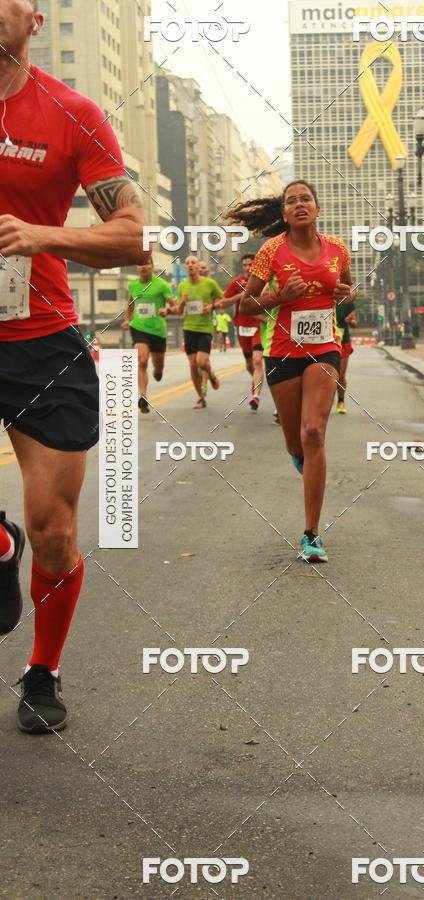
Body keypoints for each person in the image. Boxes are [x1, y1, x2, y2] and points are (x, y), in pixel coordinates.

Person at [0, 0, 147, 732]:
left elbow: (131, 237)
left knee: (53, 530)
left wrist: (39, 235)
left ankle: (43, 672)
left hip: (41, 339)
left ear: (34, 20)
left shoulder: (72, 112)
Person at [226, 180, 355, 563]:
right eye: (292, 201)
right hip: (282, 352)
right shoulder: (271, 251)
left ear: (317, 209)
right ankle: (301, 456)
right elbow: (246, 306)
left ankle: (311, 534)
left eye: (306, 199)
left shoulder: (338, 249)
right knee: (296, 443)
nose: (300, 204)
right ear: (283, 213)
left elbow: (348, 289)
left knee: (313, 431)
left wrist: (350, 294)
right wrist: (280, 297)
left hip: (324, 350)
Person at [121, 260, 174, 412]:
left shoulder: (162, 285)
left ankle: (158, 371)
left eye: (146, 264)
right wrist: (127, 319)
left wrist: (167, 311)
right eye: (140, 264)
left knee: (158, 366)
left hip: (158, 330)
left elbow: (174, 305)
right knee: (142, 360)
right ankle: (143, 396)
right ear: (137, 267)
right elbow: (131, 304)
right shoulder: (133, 285)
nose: (143, 267)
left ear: (152, 266)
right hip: (138, 328)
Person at [217, 254, 265, 410]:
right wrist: (241, 295)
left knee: (258, 360)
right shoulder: (237, 282)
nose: (248, 268)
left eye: (251, 264)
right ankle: (256, 380)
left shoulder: (263, 280)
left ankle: (256, 396)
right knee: (250, 363)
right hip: (242, 326)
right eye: (245, 265)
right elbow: (223, 302)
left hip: (259, 325)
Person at [177, 256, 222, 408]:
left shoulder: (210, 284)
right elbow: (178, 311)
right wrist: (182, 302)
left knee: (201, 362)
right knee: (192, 364)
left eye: (193, 263)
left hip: (205, 328)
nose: (190, 265)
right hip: (189, 327)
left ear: (198, 267)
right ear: (185, 268)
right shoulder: (182, 286)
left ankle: (211, 374)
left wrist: (212, 307)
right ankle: (201, 398)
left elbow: (222, 300)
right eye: (187, 263)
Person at [335, 301, 357, 414]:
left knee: (340, 375)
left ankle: (341, 401)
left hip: (343, 341)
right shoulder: (323, 296)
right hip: (325, 341)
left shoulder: (347, 301)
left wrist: (351, 321)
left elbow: (354, 322)